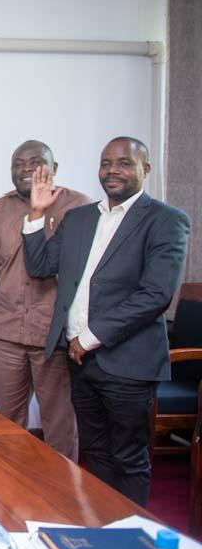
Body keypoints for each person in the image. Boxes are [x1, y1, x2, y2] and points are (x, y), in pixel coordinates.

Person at [22, 137, 189, 506]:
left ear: (146, 168)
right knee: (95, 453)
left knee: (128, 458)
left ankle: (130, 534)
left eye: (124, 163)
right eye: (106, 163)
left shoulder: (165, 220)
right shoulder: (79, 218)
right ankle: (100, 525)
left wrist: (90, 337)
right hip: (79, 361)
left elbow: (156, 295)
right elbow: (40, 266)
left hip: (128, 361)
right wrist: (35, 214)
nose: (113, 171)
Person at [0, 140, 90, 460]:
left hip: (54, 336)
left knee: (59, 423)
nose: (26, 169)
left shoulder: (79, 207)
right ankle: (10, 483)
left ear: (54, 168)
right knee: (6, 422)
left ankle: (60, 486)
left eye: (35, 162)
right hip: (6, 333)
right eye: (18, 164)